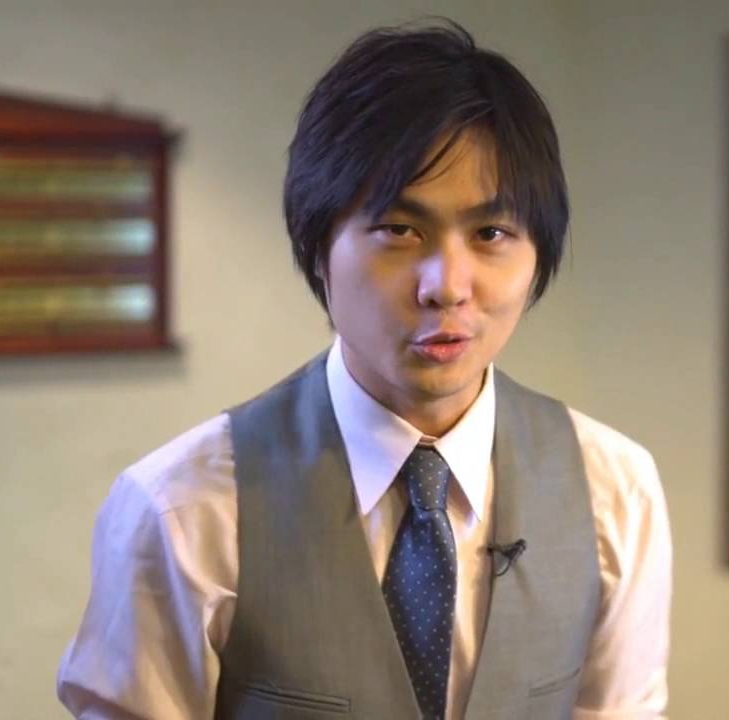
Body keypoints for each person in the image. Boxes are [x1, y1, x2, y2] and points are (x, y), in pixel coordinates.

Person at [56, 20, 671, 720]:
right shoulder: (183, 508)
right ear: (319, 246)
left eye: (491, 233)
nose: (447, 286)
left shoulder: (613, 491)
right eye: (400, 230)